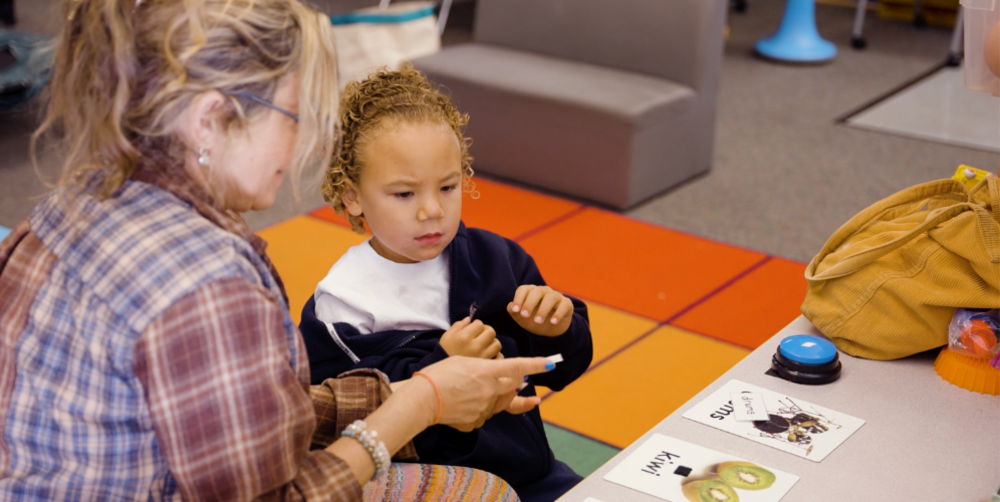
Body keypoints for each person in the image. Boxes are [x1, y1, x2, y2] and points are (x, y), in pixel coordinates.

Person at [0, 1, 554, 500]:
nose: (304, 145)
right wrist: (419, 405)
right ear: (210, 120)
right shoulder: (209, 284)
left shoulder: (68, 202)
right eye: (292, 117)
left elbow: (242, 410)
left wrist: (413, 390)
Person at [298, 66, 594, 502]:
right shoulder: (342, 305)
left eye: (448, 186)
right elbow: (343, 429)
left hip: (533, 473)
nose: (431, 210)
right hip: (434, 485)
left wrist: (559, 329)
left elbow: (562, 366)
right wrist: (440, 365)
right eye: (404, 194)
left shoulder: (497, 259)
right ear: (352, 196)